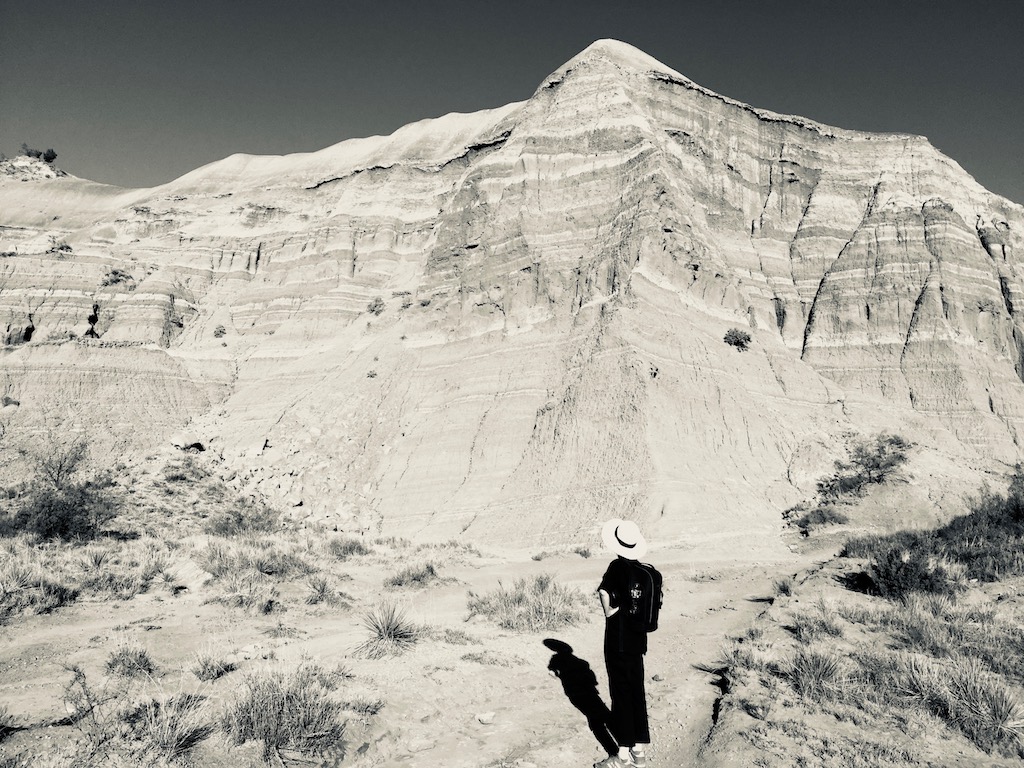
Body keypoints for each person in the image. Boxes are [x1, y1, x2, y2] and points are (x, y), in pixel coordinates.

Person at [594, 518, 652, 768]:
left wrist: (610, 611)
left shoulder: (616, 567)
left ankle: (623, 756)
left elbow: (603, 593)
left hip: (618, 641)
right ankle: (639, 752)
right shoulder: (644, 571)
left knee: (621, 694)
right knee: (636, 691)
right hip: (638, 641)